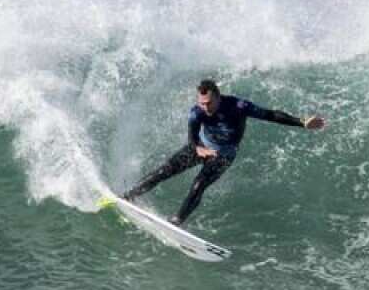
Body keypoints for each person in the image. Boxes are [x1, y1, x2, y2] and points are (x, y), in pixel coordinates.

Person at [121, 79, 326, 225]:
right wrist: (198, 148)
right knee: (163, 171)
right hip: (201, 146)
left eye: (209, 102)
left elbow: (270, 114)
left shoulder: (238, 106)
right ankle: (128, 197)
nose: (205, 107)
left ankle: (177, 221)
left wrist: (301, 122)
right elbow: (192, 137)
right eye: (202, 103)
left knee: (199, 184)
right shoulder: (197, 112)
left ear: (218, 97)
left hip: (224, 154)